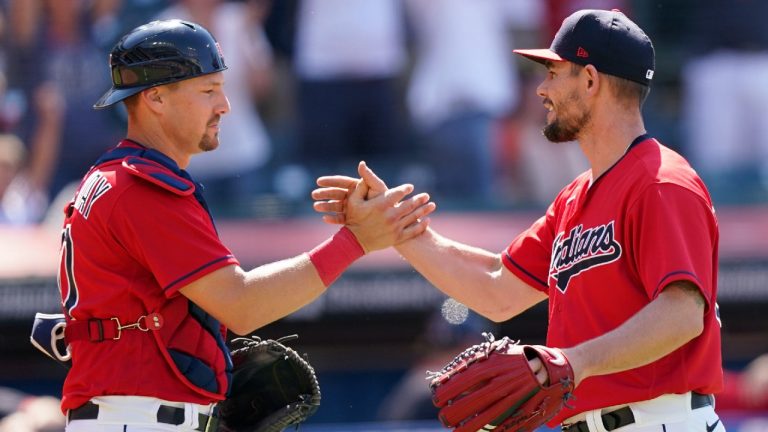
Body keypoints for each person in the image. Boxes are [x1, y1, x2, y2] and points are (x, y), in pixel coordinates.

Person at [313, 9, 725, 432]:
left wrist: (573, 361)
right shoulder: (574, 197)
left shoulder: (661, 182)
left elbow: (682, 314)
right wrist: (393, 227)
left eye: (553, 72)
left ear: (590, 80)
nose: (541, 89)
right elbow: (497, 287)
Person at [55, 19, 435, 432]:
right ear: (156, 97)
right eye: (208, 91)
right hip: (139, 420)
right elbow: (243, 305)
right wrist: (355, 242)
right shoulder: (143, 189)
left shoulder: (111, 177)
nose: (225, 105)